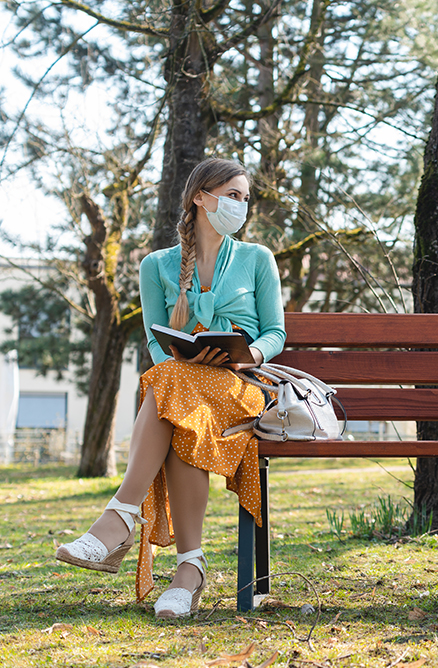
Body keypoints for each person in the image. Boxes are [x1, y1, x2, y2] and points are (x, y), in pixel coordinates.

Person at [55, 158, 286, 619]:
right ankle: (189, 570)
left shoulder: (257, 258)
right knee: (176, 395)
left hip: (241, 384)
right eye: (232, 195)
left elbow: (275, 333)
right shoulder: (156, 265)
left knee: (169, 391)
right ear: (201, 197)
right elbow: (156, 343)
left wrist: (248, 355)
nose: (240, 205)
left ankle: (120, 519)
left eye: (244, 198)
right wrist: (183, 361)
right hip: (182, 384)